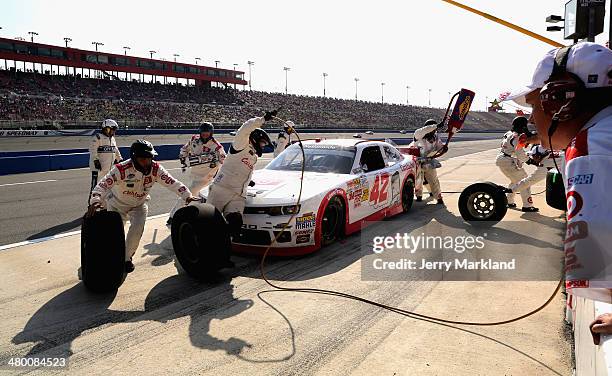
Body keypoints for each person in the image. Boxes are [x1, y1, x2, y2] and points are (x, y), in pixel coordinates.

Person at [506, 42, 612, 302]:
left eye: (533, 106)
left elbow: (597, 277)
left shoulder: (592, 146)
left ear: (560, 101)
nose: (531, 120)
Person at [87, 140, 199, 272]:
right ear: (134, 158)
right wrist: (95, 200)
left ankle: (126, 258)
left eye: (149, 158)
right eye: (143, 158)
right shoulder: (121, 169)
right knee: (114, 234)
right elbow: (103, 185)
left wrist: (187, 195)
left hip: (139, 205)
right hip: (117, 204)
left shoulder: (156, 169)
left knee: (137, 232)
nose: (147, 161)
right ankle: (110, 255)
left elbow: (172, 182)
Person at [207, 110, 290, 234]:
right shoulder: (241, 145)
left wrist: (247, 181)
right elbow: (245, 128)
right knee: (209, 223)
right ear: (255, 139)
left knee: (235, 223)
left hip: (239, 194)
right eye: (262, 143)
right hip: (221, 189)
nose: (262, 146)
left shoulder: (254, 157)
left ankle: (225, 244)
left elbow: (243, 169)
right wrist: (263, 119)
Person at [167, 122, 226, 225]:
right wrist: (183, 157)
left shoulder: (217, 146)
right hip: (194, 173)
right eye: (203, 132)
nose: (205, 134)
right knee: (198, 198)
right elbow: (184, 149)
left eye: (207, 133)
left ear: (211, 133)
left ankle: (173, 216)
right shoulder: (194, 139)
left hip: (206, 177)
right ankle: (196, 217)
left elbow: (223, 160)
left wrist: (219, 172)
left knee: (188, 194)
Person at [495, 116, 538, 212]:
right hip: (507, 160)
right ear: (523, 126)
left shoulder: (508, 133)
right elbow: (520, 154)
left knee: (515, 181)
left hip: (503, 159)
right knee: (524, 181)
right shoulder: (517, 137)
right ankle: (527, 205)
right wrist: (531, 161)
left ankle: (509, 201)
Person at [412, 119, 448, 204]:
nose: (433, 131)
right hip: (417, 161)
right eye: (432, 129)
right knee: (418, 180)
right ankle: (419, 196)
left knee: (433, 179)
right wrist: (435, 126)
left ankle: (438, 197)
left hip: (429, 161)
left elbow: (439, 147)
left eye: (435, 130)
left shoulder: (435, 137)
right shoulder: (418, 134)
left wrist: (443, 149)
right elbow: (426, 130)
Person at [89, 119, 122, 198]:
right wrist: (95, 160)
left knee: (107, 187)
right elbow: (92, 149)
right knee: (95, 187)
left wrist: (119, 158)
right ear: (107, 128)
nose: (114, 132)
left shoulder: (112, 138)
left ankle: (104, 204)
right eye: (113, 129)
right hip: (98, 168)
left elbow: (115, 149)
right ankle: (91, 203)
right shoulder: (98, 137)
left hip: (108, 168)